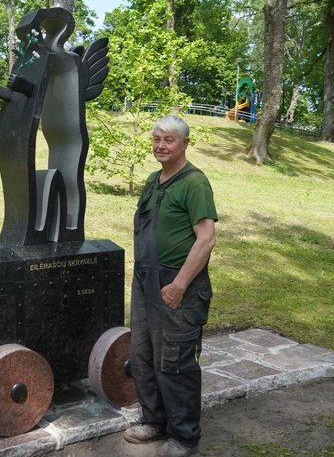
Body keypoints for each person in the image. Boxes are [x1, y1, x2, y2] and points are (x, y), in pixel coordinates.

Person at [124, 115, 217, 457]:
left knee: (176, 360)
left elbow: (206, 240)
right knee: (144, 354)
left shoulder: (194, 183)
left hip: (179, 284)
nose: (160, 146)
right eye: (157, 139)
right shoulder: (153, 180)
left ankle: (184, 436)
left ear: (185, 144)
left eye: (168, 140)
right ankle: (155, 421)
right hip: (146, 282)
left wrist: (178, 284)